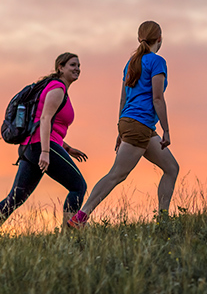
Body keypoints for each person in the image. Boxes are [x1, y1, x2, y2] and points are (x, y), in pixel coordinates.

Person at [68, 20, 179, 227]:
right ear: (160, 39)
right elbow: (157, 98)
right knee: (117, 174)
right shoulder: (157, 61)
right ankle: (80, 217)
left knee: (171, 168)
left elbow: (123, 99)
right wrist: (167, 130)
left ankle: (163, 221)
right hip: (140, 124)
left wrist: (121, 129)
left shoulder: (132, 63)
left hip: (133, 124)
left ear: (140, 38)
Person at [0, 52, 88, 239]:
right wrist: (46, 152)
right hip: (40, 147)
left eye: (78, 65)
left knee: (15, 198)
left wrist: (67, 148)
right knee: (78, 186)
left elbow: (46, 124)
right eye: (72, 65)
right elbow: (45, 119)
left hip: (30, 147)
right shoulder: (58, 88)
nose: (77, 68)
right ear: (60, 68)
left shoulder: (54, 87)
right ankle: (67, 239)